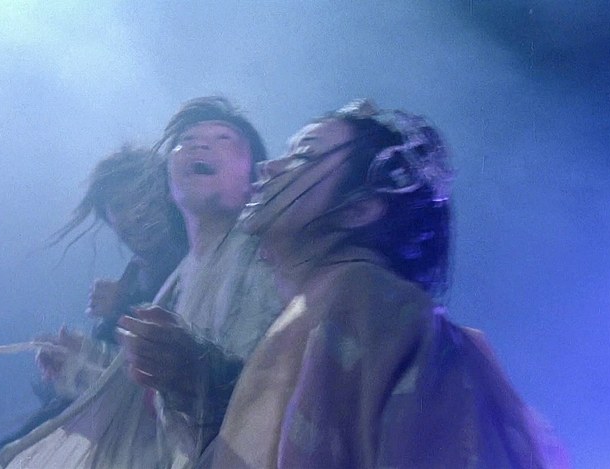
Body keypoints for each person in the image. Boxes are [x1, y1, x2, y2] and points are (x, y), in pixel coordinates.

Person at [210, 101, 567, 468]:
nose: (268, 167)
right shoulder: (335, 302)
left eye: (304, 155)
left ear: (359, 210)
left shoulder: (363, 297)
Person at [0, 97, 282, 469]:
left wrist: (192, 367)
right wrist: (82, 365)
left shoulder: (272, 255)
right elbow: (148, 406)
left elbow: (277, 385)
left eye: (223, 139)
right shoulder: (178, 279)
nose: (135, 214)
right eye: (187, 140)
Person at [0, 145, 187, 466]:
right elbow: (117, 383)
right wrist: (73, 362)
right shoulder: (132, 281)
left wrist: (120, 312)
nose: (135, 213)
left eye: (142, 195)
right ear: (109, 219)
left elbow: (172, 380)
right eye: (119, 205)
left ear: (167, 194)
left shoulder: (197, 259)